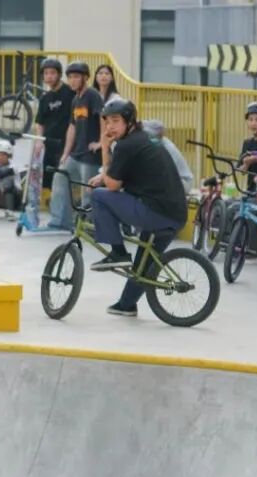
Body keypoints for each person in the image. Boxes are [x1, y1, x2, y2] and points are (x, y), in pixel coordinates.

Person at [87, 99, 188, 316]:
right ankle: (127, 305)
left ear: (129, 121)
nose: (110, 127)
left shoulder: (126, 145)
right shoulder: (145, 138)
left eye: (116, 121)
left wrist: (104, 147)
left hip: (154, 212)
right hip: (175, 214)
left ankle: (118, 252)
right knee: (145, 263)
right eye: (107, 122)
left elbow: (112, 185)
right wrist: (104, 176)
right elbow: (127, 172)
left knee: (99, 196)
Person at [47, 62, 103, 231]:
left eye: (76, 77)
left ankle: (89, 227)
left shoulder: (93, 95)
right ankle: (60, 221)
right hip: (76, 153)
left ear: (85, 78)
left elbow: (104, 119)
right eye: (70, 77)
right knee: (60, 177)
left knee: (88, 191)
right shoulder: (76, 99)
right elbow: (72, 127)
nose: (72, 80)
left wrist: (101, 142)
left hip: (90, 155)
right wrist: (66, 153)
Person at [33, 58, 74, 191]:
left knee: (64, 180)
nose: (49, 76)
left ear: (59, 74)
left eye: (52, 73)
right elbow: (40, 122)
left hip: (67, 144)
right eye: (46, 73)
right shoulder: (45, 98)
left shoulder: (71, 92)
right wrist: (39, 141)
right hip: (49, 145)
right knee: (49, 182)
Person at [142, 119, 193, 194]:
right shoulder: (159, 144)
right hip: (174, 179)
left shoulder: (168, 148)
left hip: (183, 182)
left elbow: (167, 172)